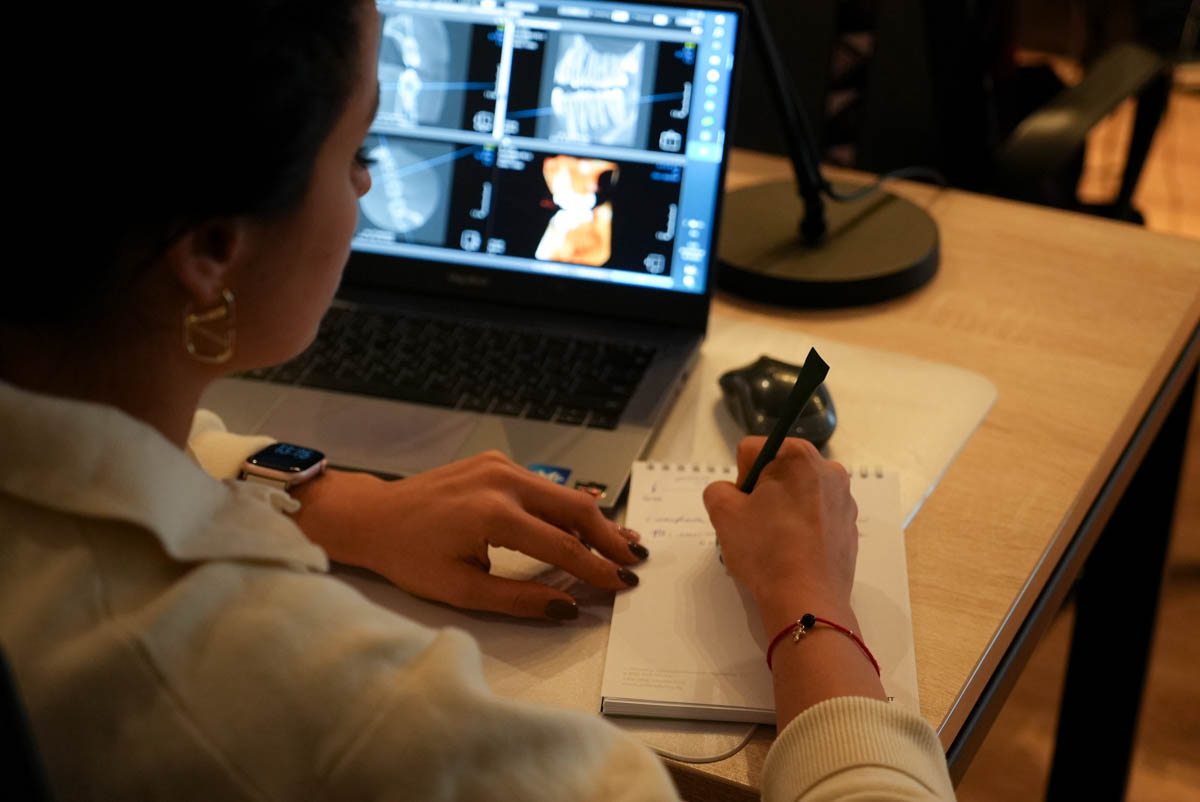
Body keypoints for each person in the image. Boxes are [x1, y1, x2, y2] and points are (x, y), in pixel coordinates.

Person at [0, 1, 956, 799]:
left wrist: (333, 500)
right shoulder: (355, 717)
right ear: (213, 250)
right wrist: (808, 604)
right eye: (360, 148)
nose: (367, 187)